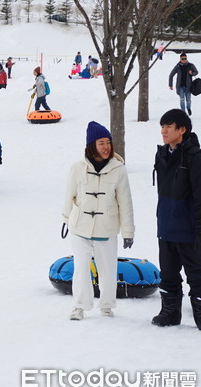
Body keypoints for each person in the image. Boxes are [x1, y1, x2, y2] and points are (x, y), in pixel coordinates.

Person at [61, 122, 135, 321]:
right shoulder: (78, 168)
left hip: (106, 228)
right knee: (81, 268)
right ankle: (80, 306)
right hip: (80, 227)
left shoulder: (118, 169)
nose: (106, 147)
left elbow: (125, 202)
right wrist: (66, 218)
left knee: (108, 269)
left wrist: (128, 232)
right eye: (101, 143)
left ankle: (107, 305)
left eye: (108, 143)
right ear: (92, 145)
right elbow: (69, 194)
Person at [152, 109, 201, 331]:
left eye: (169, 127)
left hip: (189, 229)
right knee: (168, 274)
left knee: (197, 276)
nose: (163, 131)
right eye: (162, 126)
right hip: (166, 227)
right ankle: (170, 313)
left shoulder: (196, 158)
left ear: (182, 130)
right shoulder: (162, 155)